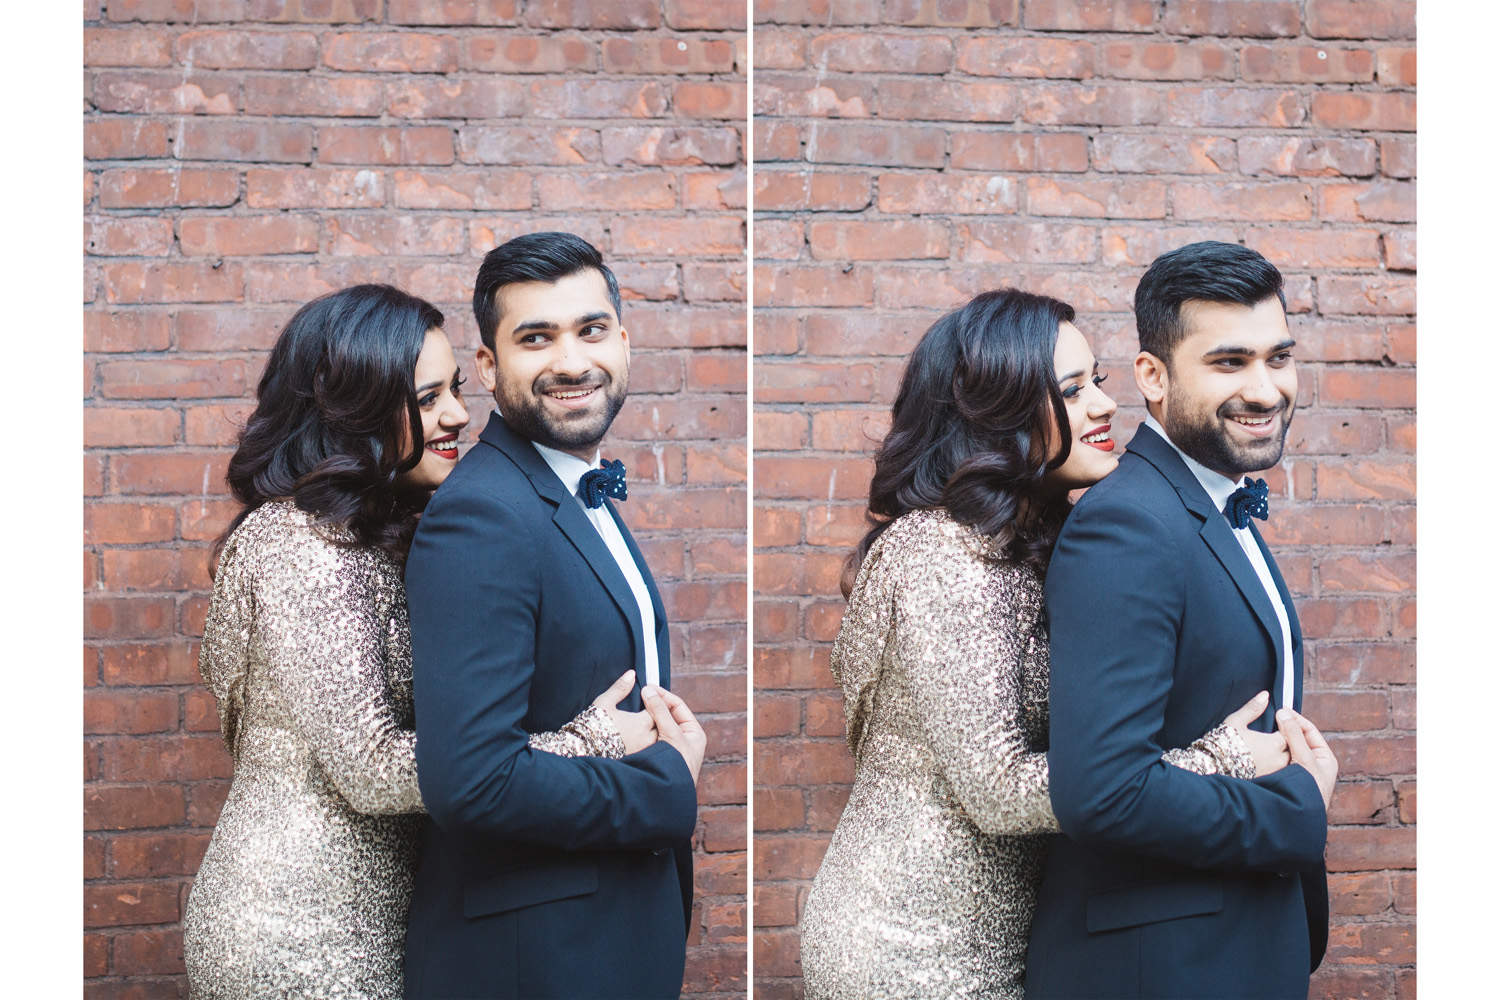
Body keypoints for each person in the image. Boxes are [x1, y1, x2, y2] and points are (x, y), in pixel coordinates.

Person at [798, 289, 1287, 1000]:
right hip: (913, 947)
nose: (1104, 406)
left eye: (1098, 380)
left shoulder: (1032, 543)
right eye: (1071, 389)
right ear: (995, 413)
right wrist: (1218, 760)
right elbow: (997, 791)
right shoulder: (942, 553)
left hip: (1011, 931)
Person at [181, 284, 651, 999]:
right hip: (301, 933)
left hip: (392, 915)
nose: (460, 414)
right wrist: (583, 742)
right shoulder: (295, 544)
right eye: (428, 399)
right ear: (356, 411)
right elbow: (369, 767)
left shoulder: (393, 528)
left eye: (456, 389)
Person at [1026, 241, 1338, 1000]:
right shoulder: (1128, 524)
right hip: (1160, 968)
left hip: (1234, 945)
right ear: (1153, 378)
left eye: (1279, 358)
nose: (1265, 390)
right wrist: (1299, 808)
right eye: (1229, 363)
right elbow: (1103, 792)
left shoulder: (1209, 502)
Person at [402, 232, 707, 1000]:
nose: (571, 362)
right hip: (533, 960)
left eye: (590, 330)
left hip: (611, 935)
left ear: (624, 341)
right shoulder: (481, 515)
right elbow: (472, 782)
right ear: (489, 366)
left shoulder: (576, 485)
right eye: (536, 338)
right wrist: (666, 784)